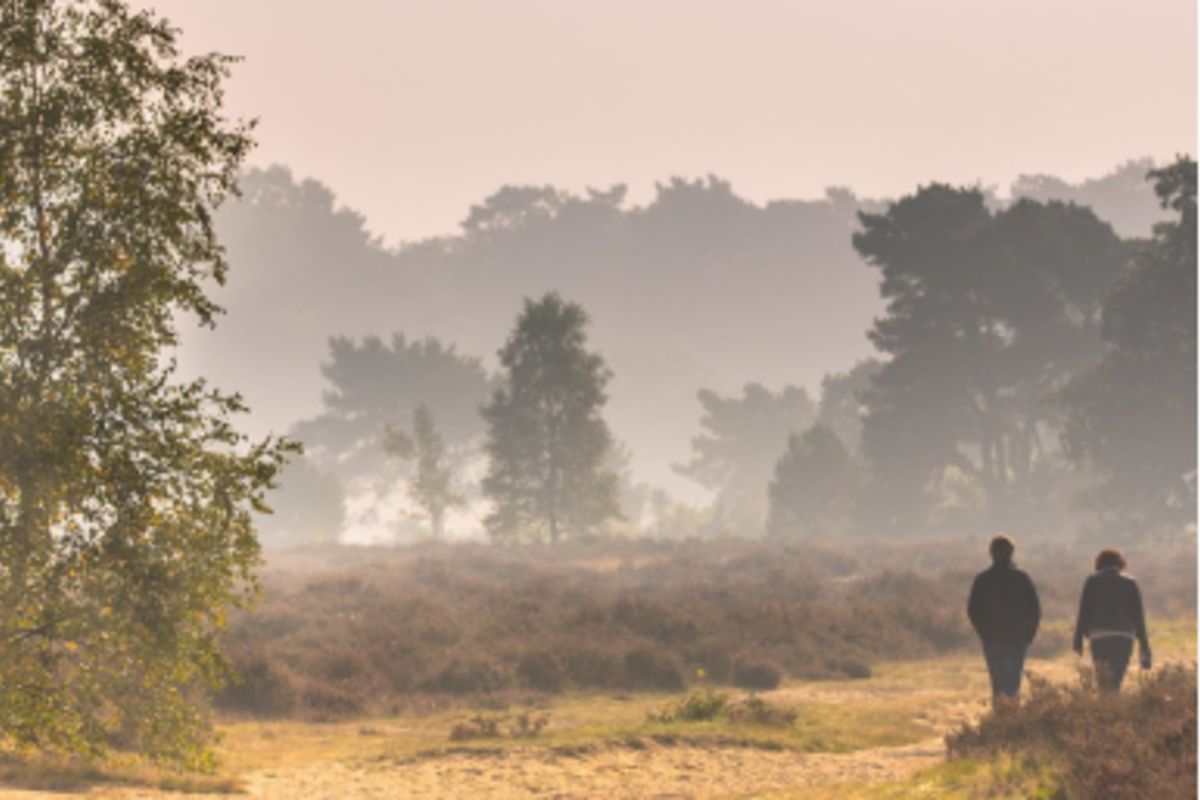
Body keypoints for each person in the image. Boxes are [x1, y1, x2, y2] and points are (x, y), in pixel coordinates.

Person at [967, 534, 1041, 706]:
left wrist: (983, 632)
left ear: (991, 553)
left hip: (992, 639)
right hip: (1017, 639)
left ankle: (998, 720)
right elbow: (1035, 610)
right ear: (1012, 553)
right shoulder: (1021, 578)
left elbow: (973, 610)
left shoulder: (982, 579)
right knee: (1012, 684)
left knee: (997, 684)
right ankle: (1010, 722)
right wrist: (1029, 635)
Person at [1072, 548, 1151, 692]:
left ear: (1099, 563)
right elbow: (1138, 616)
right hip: (1124, 636)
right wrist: (1144, 644)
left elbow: (1083, 612)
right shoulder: (1130, 582)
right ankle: (1114, 706)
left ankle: (1105, 706)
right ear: (1121, 563)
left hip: (1099, 636)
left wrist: (1078, 640)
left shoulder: (1092, 581)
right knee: (1117, 678)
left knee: (1103, 679)